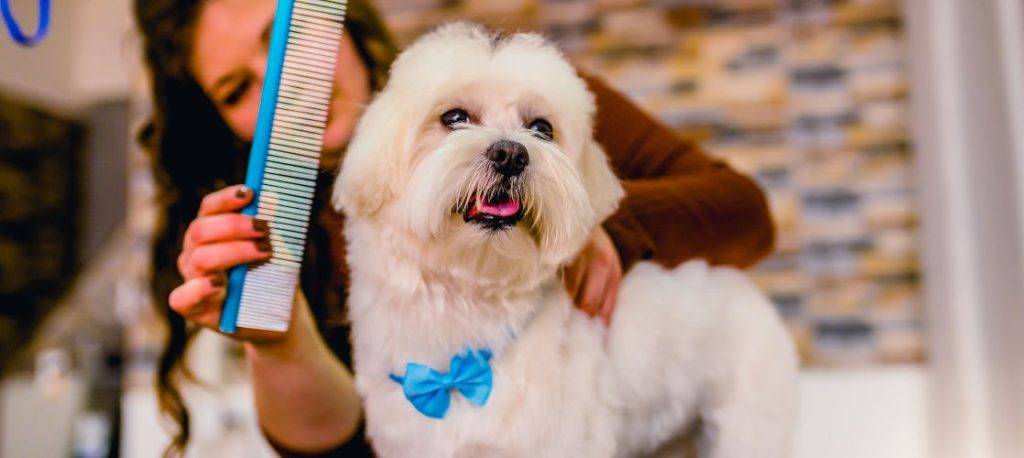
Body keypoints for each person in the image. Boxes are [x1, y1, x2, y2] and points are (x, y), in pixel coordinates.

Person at [135, 0, 775, 455]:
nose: (285, 88)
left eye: (286, 43)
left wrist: (596, 224)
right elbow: (354, 447)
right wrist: (276, 339)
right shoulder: (272, 233)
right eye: (236, 88)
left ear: (342, 23)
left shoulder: (523, 90)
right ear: (217, 121)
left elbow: (746, 213)